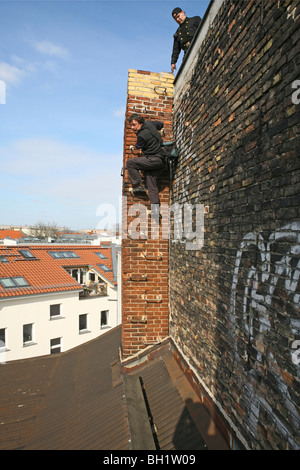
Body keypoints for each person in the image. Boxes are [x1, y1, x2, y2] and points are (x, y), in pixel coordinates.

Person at [126, 114, 165, 206]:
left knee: (130, 163)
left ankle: (138, 185)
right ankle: (155, 211)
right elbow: (160, 125)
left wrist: (135, 146)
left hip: (153, 159)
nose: (132, 127)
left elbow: (138, 146)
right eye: (131, 125)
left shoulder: (141, 136)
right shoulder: (150, 123)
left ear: (140, 123)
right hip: (162, 160)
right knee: (151, 185)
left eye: (134, 125)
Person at [171, 7, 201, 73]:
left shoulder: (195, 20)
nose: (178, 19)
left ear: (183, 12)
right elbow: (175, 49)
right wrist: (173, 62)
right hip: (187, 54)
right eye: (175, 19)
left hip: (199, 47)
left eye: (178, 16)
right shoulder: (177, 33)